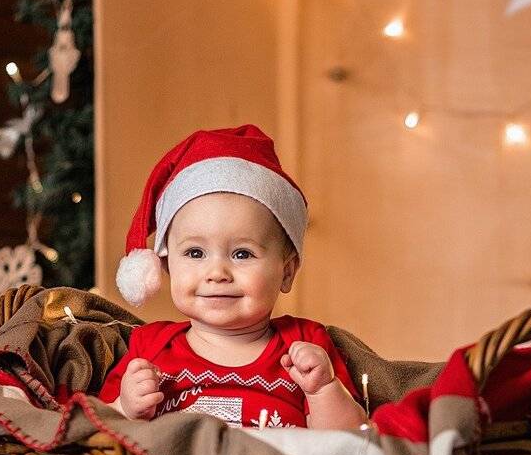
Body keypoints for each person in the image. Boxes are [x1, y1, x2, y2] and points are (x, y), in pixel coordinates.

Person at [99, 125, 367, 431]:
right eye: (196, 253)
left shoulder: (305, 343)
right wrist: (125, 406)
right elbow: (98, 430)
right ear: (166, 265)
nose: (217, 274)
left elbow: (351, 441)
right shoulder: (150, 346)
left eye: (242, 254)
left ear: (286, 271)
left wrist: (323, 390)